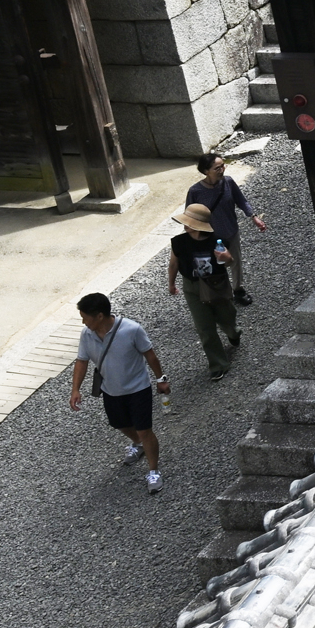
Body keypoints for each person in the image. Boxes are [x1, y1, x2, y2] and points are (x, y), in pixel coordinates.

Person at [70, 291, 170, 491]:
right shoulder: (87, 334)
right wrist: (75, 389)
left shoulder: (132, 329)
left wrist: (160, 379)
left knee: (144, 429)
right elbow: (82, 361)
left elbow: (150, 355)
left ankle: (153, 471)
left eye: (85, 318)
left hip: (138, 388)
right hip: (111, 390)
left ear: (99, 316)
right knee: (119, 424)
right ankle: (137, 443)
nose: (83, 323)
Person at [167, 202, 241, 374]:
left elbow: (229, 262)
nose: (185, 225)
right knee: (204, 327)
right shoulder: (178, 242)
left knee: (226, 315)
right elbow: (173, 264)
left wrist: (227, 257)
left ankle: (233, 332)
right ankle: (218, 365)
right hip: (192, 286)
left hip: (217, 284)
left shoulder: (217, 241)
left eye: (189, 222)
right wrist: (171, 283)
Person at [186, 151, 266, 305]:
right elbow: (190, 216)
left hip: (230, 231)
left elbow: (241, 201)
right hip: (209, 237)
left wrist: (253, 216)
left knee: (235, 262)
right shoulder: (195, 192)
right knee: (214, 266)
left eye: (223, 166)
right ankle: (217, 296)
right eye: (217, 168)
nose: (222, 170)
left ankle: (238, 290)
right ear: (205, 171)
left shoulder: (228, 182)